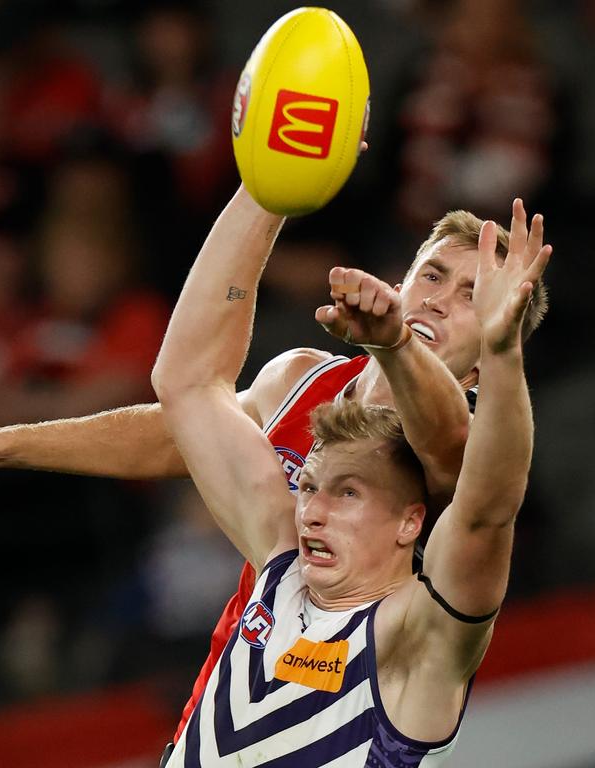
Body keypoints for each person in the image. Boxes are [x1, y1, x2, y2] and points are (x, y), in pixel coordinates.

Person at [0, 186, 549, 741]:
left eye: (472, 295)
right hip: (226, 701)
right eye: (432, 274)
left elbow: (460, 462)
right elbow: (183, 425)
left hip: (362, 697)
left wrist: (404, 344)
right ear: (402, 280)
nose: (439, 297)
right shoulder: (302, 382)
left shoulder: (469, 447)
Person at [152, 186, 550, 764]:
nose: (312, 509)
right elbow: (186, 381)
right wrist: (265, 187)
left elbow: (487, 501)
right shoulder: (279, 561)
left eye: (348, 493)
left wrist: (503, 347)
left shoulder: (418, 636)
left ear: (412, 521)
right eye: (309, 485)